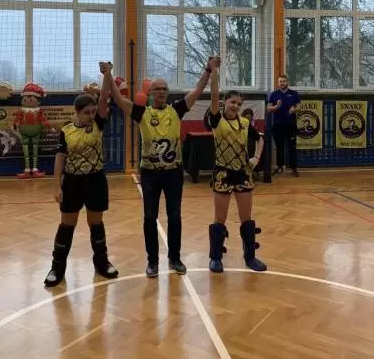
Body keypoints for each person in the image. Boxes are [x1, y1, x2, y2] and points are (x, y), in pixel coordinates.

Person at [104, 57, 221, 278]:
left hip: (174, 173)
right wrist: (108, 74)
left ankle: (175, 258)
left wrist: (208, 69)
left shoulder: (176, 110)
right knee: (150, 217)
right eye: (157, 89)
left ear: (167, 93)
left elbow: (198, 89)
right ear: (150, 93)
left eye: (164, 89)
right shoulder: (142, 112)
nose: (161, 92)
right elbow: (119, 99)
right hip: (150, 173)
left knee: (174, 216)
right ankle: (152, 261)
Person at [44, 76, 118, 287]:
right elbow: (60, 159)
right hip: (72, 183)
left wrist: (107, 75)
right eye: (87, 112)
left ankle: (102, 263)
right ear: (76, 112)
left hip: (95, 180)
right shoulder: (66, 131)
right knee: (67, 225)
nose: (91, 116)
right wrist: (56, 186)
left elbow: (103, 99)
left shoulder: (98, 125)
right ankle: (57, 267)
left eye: (93, 112)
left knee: (96, 224)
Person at [208, 66, 266, 274]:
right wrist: (214, 71)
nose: (236, 106)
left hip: (242, 173)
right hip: (222, 174)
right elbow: (214, 95)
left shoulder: (245, 123)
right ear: (225, 102)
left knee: (246, 217)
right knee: (220, 218)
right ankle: (216, 258)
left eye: (239, 104)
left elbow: (260, 139)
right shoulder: (217, 120)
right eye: (232, 102)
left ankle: (250, 257)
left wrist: (256, 158)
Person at [267, 75, 301, 176]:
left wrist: (294, 109)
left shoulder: (294, 94)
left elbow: (299, 107)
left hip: (291, 125)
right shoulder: (274, 94)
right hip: (278, 126)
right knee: (279, 147)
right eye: (280, 81)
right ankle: (279, 167)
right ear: (278, 83)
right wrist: (276, 107)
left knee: (292, 148)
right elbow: (268, 108)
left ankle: (293, 168)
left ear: (287, 82)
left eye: (284, 81)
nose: (282, 83)